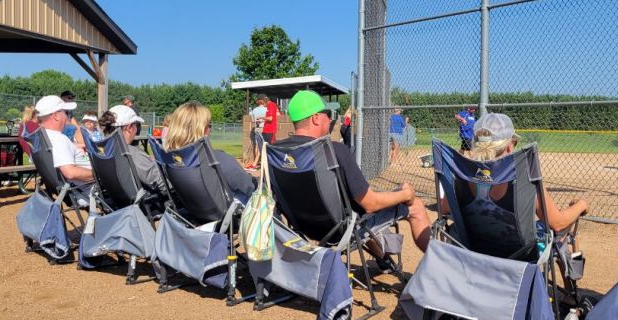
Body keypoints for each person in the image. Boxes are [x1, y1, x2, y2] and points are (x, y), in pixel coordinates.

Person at [277, 91, 432, 259]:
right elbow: (371, 204)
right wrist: (405, 194)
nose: (330, 120)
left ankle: (383, 258)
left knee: (355, 207)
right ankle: (442, 262)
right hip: (342, 231)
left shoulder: (276, 152)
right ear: (315, 118)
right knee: (414, 206)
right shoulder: (334, 150)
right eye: (327, 115)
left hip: (304, 228)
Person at [439, 113, 590, 253]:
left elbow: (444, 209)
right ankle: (568, 265)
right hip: (519, 256)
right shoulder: (525, 180)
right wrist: (581, 205)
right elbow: (558, 223)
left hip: (473, 251)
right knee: (561, 230)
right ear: (510, 146)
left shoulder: (460, 176)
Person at [164, 101, 256, 204]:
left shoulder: (170, 160)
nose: (210, 130)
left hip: (194, 210)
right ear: (202, 130)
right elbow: (248, 187)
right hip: (226, 213)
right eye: (209, 125)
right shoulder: (217, 159)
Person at [98, 105, 167, 197]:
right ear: (129, 127)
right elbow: (162, 185)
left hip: (119, 200)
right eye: (137, 125)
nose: (137, 129)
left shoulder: (103, 150)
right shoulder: (131, 153)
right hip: (148, 204)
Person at [35, 95, 94, 198]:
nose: (67, 117)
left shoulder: (43, 137)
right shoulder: (59, 139)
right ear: (56, 116)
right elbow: (70, 172)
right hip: (89, 190)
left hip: (75, 189)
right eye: (65, 112)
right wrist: (101, 175)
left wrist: (74, 146)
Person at [245, 95, 268, 169]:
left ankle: (257, 161)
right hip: (264, 128)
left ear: (258, 101)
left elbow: (252, 120)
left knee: (257, 145)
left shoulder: (254, 110)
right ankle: (257, 163)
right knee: (262, 145)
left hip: (256, 128)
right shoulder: (267, 109)